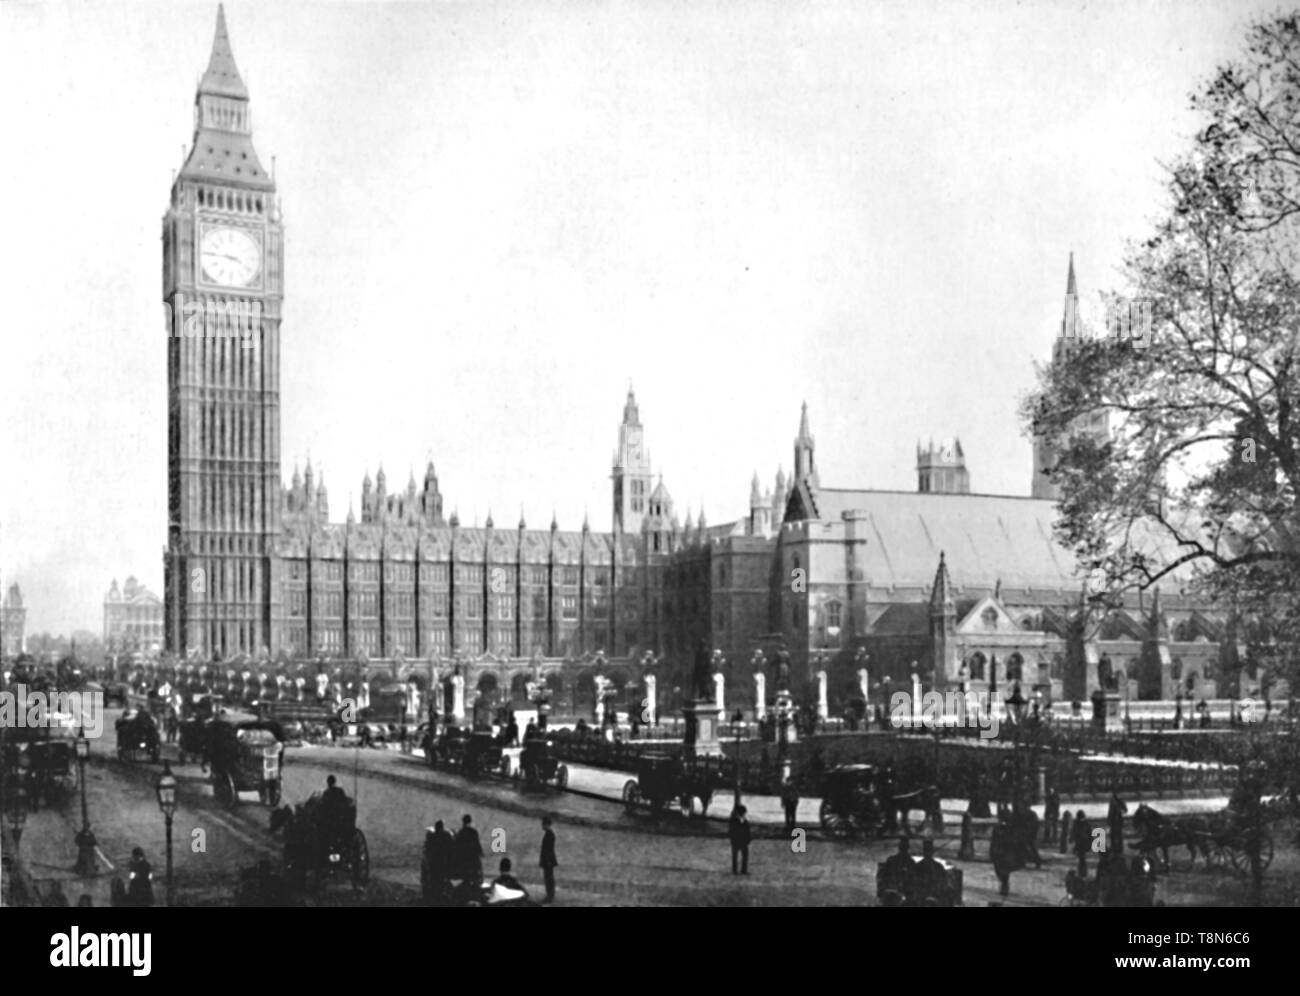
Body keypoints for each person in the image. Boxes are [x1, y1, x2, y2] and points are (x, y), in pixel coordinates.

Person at [423, 820, 455, 902]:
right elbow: (451, 846)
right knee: (441, 879)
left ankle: (435, 895)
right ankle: (440, 895)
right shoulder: (445, 835)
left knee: (435, 879)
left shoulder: (433, 836)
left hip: (434, 862)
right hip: (443, 862)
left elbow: (427, 848)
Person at [913, 838, 949, 905]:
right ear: (924, 852)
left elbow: (943, 884)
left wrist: (935, 895)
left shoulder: (938, 867)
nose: (928, 853)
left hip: (936, 897)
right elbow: (914, 884)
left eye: (929, 850)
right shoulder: (917, 867)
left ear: (932, 852)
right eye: (926, 850)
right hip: (921, 898)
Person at [880, 837, 915, 902]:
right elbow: (884, 876)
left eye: (905, 846)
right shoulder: (892, 860)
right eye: (902, 846)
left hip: (904, 893)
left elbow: (912, 879)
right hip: (892, 892)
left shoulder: (910, 862)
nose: (903, 848)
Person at [989, 815, 1017, 898]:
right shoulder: (997, 829)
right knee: (998, 870)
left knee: (1004, 870)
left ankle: (1004, 884)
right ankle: (1004, 883)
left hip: (1004, 853)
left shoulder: (1009, 829)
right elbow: (993, 841)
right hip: (998, 852)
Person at [457, 814, 484, 884]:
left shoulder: (461, 832)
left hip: (464, 859)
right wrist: (481, 852)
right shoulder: (474, 832)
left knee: (466, 878)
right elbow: (477, 844)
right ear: (470, 821)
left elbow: (457, 845)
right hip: (473, 858)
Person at [539, 816, 558, 904]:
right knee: (549, 878)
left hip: (548, 861)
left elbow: (548, 850)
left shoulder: (549, 835)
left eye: (543, 824)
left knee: (548, 879)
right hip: (549, 861)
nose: (541, 826)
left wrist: (546, 861)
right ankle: (550, 895)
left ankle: (549, 896)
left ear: (546, 824)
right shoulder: (550, 834)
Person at [729, 805, 752, 875]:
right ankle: (735, 870)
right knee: (735, 857)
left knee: (744, 856)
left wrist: (748, 839)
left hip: (743, 841)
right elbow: (732, 831)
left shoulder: (745, 821)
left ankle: (743, 870)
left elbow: (748, 831)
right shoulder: (734, 821)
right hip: (736, 841)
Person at [1071, 809, 1092, 878]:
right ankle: (1082, 872)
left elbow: (1090, 834)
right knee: (1082, 859)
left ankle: (1082, 872)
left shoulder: (1079, 824)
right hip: (1081, 844)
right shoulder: (1083, 824)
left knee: (1082, 859)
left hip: (1082, 844)